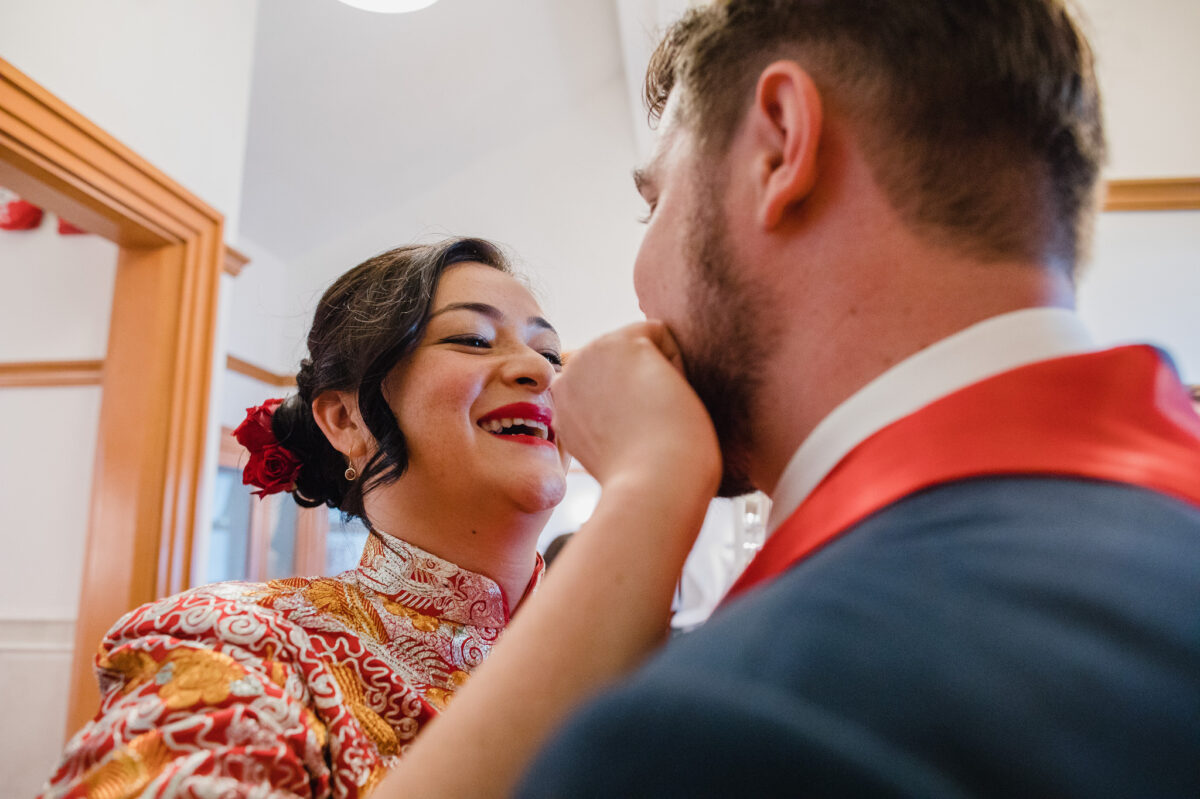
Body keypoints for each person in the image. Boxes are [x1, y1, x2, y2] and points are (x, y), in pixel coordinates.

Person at [377, 1, 1200, 797]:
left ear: (779, 147)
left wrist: (647, 487)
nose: (639, 286)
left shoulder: (744, 721)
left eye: (654, 203)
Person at [40, 237, 572, 797]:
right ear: (345, 419)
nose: (538, 369)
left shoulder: (618, 650)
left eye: (553, 355)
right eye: (473, 339)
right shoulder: (240, 644)